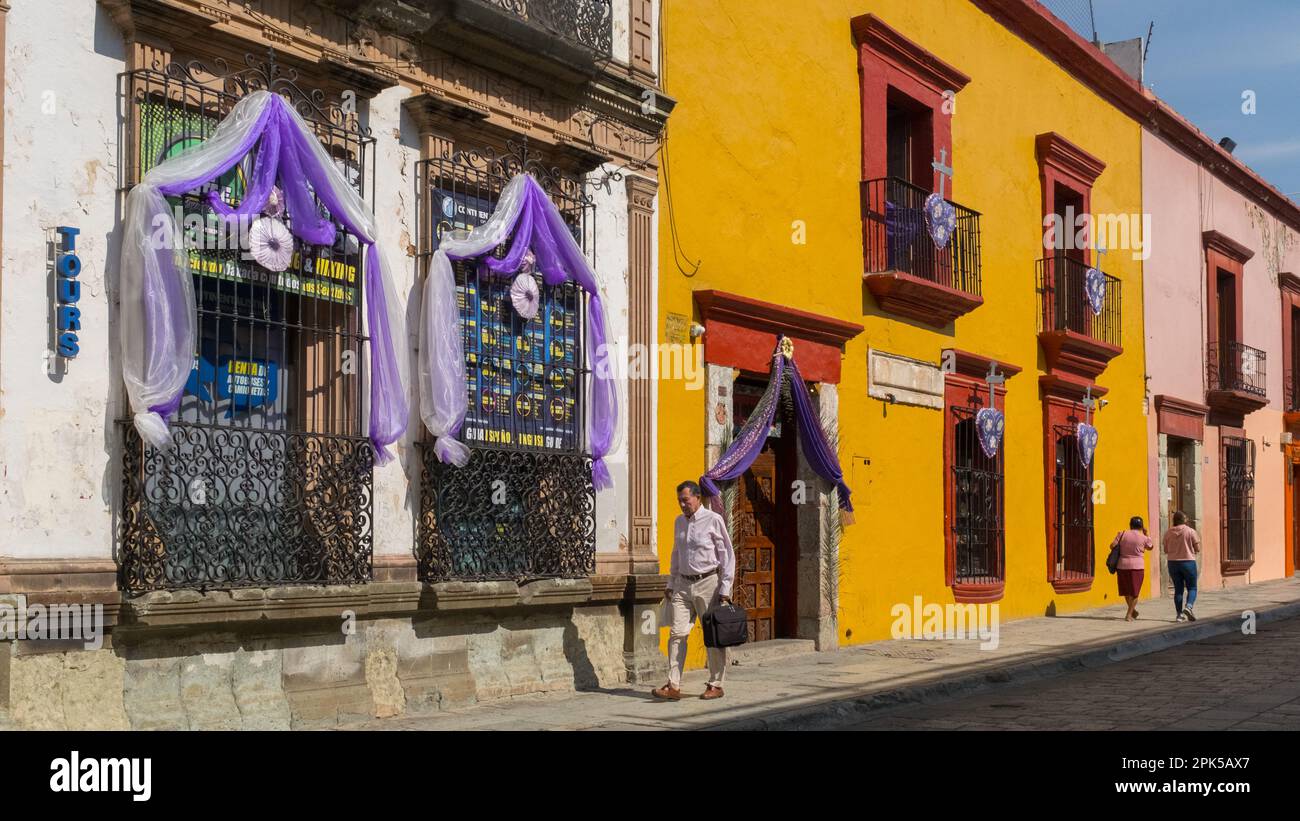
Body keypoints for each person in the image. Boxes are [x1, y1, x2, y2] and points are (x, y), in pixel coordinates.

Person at [652, 480, 736, 701]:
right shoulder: (679, 522)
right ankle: (673, 685)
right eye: (679, 500)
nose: (682, 505)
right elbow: (676, 554)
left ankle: (716, 684)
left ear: (697, 498)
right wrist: (671, 583)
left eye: (686, 500)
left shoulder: (713, 520)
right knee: (677, 633)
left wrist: (725, 587)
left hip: (708, 583)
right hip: (682, 584)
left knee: (712, 635)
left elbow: (727, 554)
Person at [1111, 516, 1153, 621]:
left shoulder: (1122, 534)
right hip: (1137, 567)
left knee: (1126, 591)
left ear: (1130, 525)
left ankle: (1132, 610)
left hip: (1122, 565)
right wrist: (1146, 535)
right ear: (1141, 526)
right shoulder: (1144, 537)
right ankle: (1129, 614)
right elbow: (1150, 547)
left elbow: (1112, 546)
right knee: (1135, 592)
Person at [1162, 510, 1201, 622]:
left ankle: (1179, 615)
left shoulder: (1168, 533)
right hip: (1188, 562)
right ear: (1184, 520)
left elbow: (1165, 550)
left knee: (1178, 589)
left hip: (1173, 563)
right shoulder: (1190, 531)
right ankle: (1188, 607)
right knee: (1192, 587)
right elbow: (1197, 548)